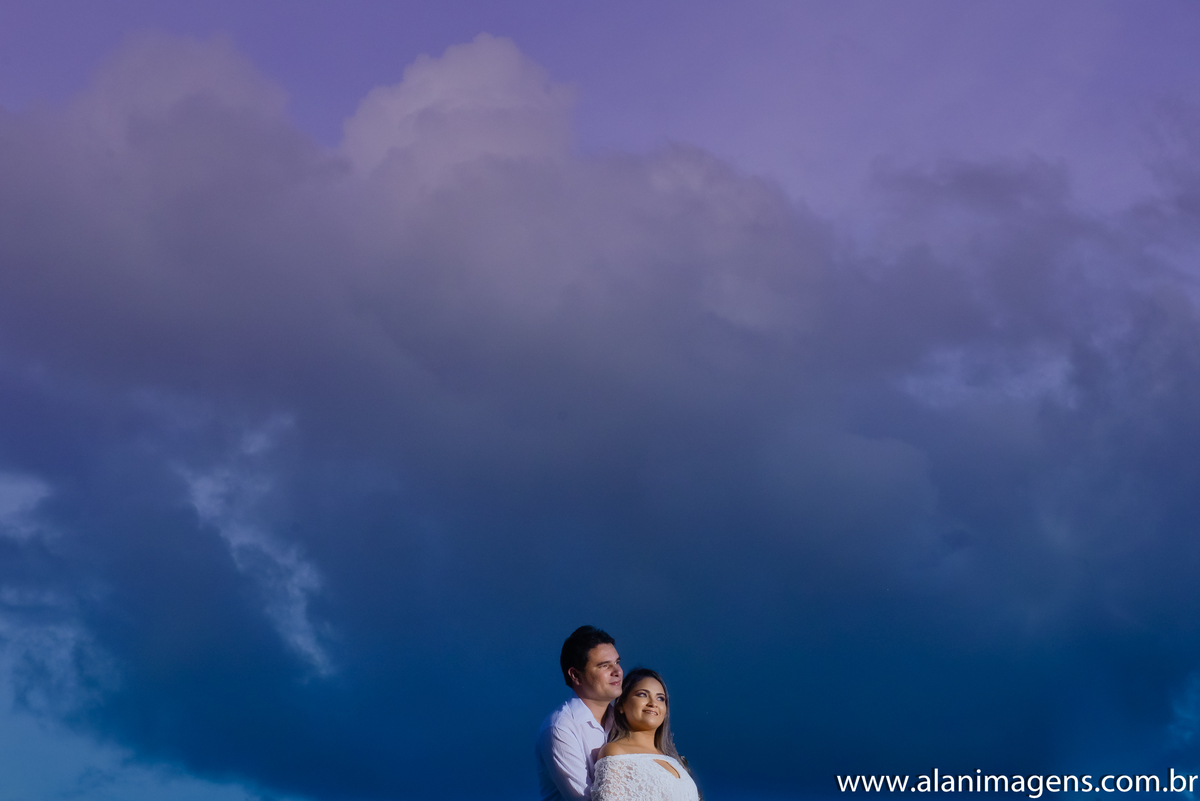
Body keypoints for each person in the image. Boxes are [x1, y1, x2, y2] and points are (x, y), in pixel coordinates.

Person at [536, 626, 624, 801]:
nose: (618, 672)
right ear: (575, 675)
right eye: (604, 665)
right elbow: (587, 799)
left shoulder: (623, 720)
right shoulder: (560, 728)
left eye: (617, 662)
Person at [591, 668, 700, 801]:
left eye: (660, 698)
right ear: (621, 705)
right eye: (642, 694)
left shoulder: (674, 760)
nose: (653, 703)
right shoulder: (616, 752)